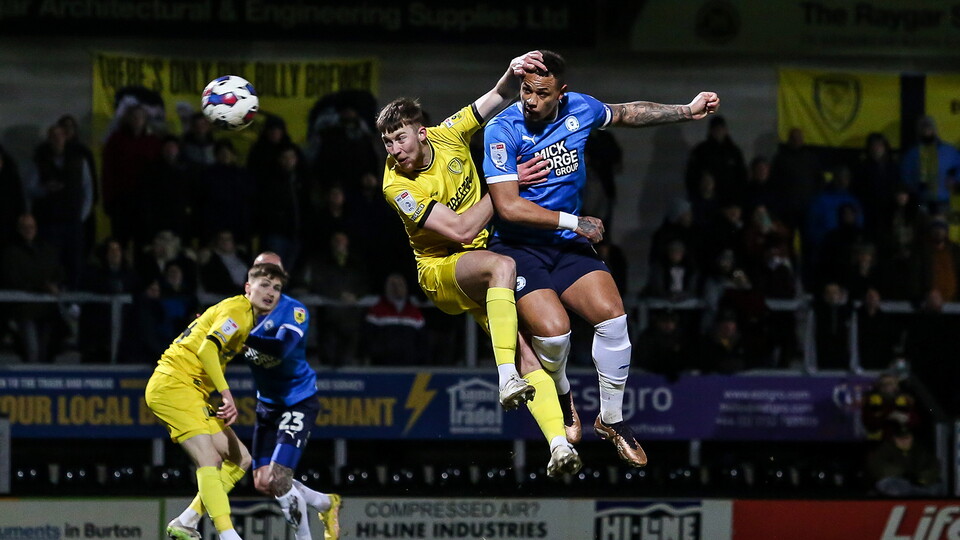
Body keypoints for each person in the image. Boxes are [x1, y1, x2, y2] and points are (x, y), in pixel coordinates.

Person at [482, 49, 719, 467]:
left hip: (566, 246)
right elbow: (508, 206)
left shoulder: (581, 108)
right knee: (555, 335)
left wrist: (686, 110)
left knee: (613, 318)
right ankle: (563, 394)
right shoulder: (502, 129)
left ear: (561, 93)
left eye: (541, 93)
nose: (531, 100)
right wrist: (575, 222)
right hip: (518, 248)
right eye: (526, 91)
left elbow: (626, 113)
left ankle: (611, 419)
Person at [378, 50, 581, 476]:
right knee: (502, 267)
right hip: (440, 271)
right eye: (388, 143)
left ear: (422, 133)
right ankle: (506, 378)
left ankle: (559, 445)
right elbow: (460, 230)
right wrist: (506, 183)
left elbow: (496, 97)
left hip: (481, 266)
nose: (395, 150)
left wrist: (512, 70)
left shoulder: (449, 133)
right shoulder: (396, 185)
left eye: (400, 139)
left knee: (528, 353)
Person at [167, 253, 341, 540]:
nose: (270, 287)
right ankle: (325, 502)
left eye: (276, 280)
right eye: (264, 277)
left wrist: (241, 335)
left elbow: (281, 348)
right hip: (267, 405)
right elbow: (216, 345)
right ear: (250, 282)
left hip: (297, 400)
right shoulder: (242, 313)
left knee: (279, 477)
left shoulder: (294, 310)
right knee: (263, 482)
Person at [148, 262, 286, 540]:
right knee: (209, 458)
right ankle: (228, 534)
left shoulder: (244, 317)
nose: (270, 292)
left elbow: (221, 338)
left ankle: (186, 521)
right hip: (174, 384)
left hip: (190, 389)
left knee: (240, 459)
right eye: (264, 285)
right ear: (248, 288)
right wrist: (226, 393)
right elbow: (207, 350)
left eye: (276, 288)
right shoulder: (238, 311)